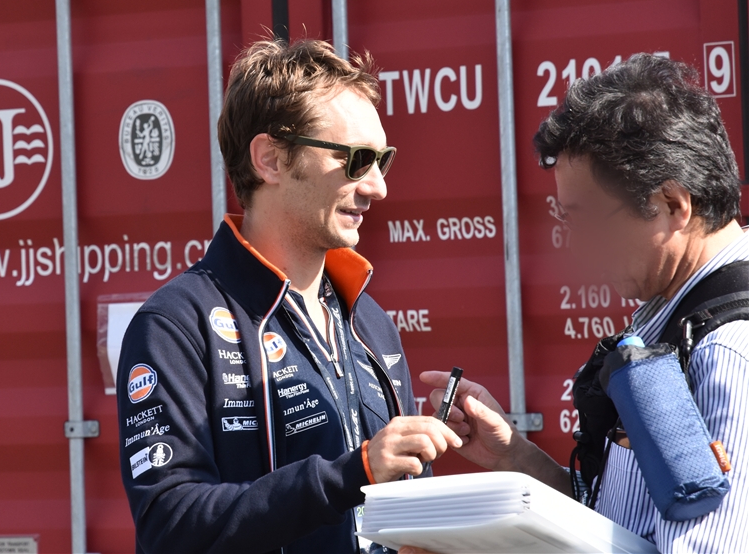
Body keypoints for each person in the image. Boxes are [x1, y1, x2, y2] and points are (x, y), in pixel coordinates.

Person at [116, 38, 463, 554]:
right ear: (271, 159)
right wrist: (354, 472)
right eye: (356, 160)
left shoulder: (369, 323)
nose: (377, 187)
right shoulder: (176, 324)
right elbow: (171, 526)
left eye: (382, 161)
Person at [419, 53, 748, 553]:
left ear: (674, 204)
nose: (576, 246)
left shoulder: (726, 351)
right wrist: (516, 459)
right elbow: (626, 528)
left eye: (589, 216)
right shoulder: (676, 327)